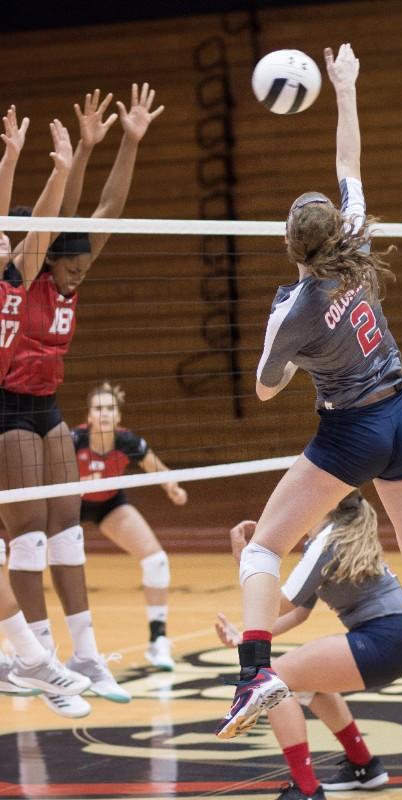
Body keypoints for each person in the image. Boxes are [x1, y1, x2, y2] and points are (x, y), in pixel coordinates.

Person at [216, 43, 402, 740]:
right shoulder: (353, 239)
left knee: (263, 550)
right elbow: (348, 164)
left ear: (290, 242)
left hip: (350, 432)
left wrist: (294, 352)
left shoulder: (290, 309)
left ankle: (254, 673)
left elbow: (265, 390)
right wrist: (346, 85)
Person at [0, 84, 164, 718]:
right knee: (31, 537)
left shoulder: (70, 278)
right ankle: (36, 661)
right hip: (6, 407)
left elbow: (108, 210)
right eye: (71, 265)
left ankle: (85, 654)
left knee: (68, 526)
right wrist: (63, 164)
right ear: (48, 261)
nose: (79, 273)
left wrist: (126, 139)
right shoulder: (27, 270)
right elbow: (55, 217)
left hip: (44, 406)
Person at [217, 492, 402, 798]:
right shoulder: (329, 539)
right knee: (309, 683)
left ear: (320, 505)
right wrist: (247, 636)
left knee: (274, 679)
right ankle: (364, 765)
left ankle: (307, 789)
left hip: (382, 639)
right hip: (395, 640)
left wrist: (246, 563)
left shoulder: (328, 540)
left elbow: (280, 602)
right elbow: (298, 613)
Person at [0, 108, 92, 704]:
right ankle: (32, 660)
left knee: (30, 537)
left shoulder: (14, 279)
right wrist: (11, 164)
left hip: (20, 410)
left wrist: (57, 169)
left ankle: (34, 661)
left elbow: (32, 232)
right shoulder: (15, 275)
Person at [72, 381, 188, 670]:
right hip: (69, 506)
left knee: (157, 560)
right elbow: (47, 479)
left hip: (109, 505)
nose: (104, 414)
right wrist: (76, 485)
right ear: (89, 416)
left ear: (118, 416)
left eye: (110, 408)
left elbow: (158, 469)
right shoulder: (72, 441)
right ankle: (26, 640)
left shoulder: (127, 442)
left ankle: (157, 641)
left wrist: (172, 488)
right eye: (98, 408)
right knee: (34, 559)